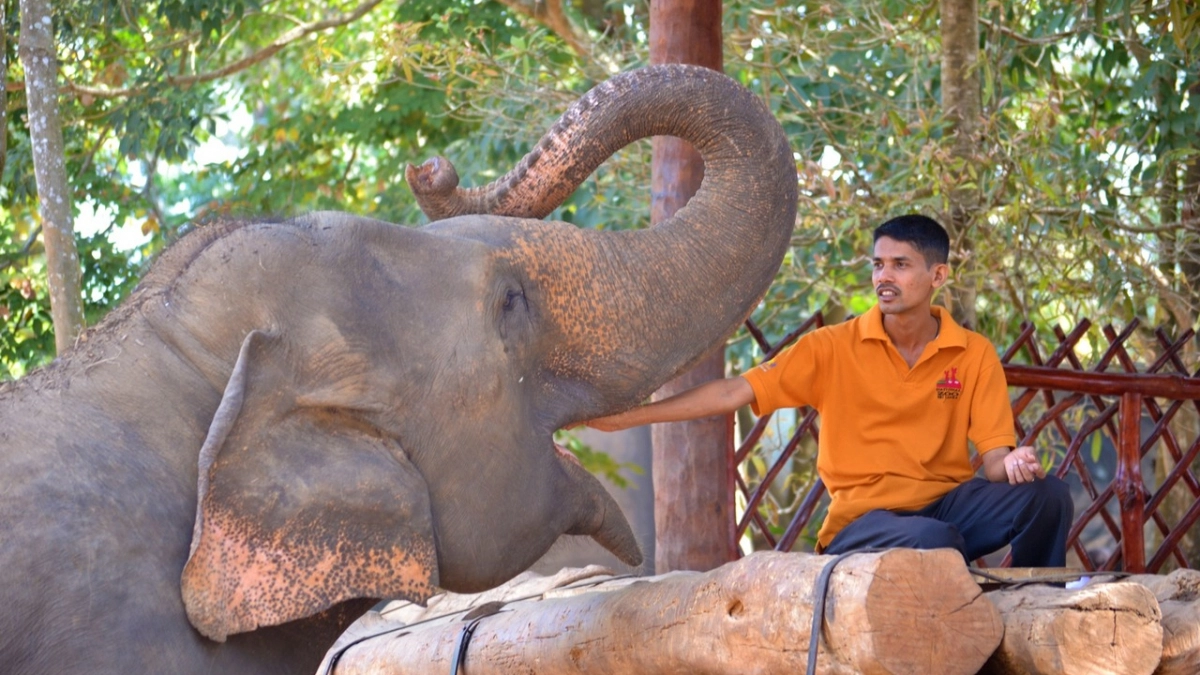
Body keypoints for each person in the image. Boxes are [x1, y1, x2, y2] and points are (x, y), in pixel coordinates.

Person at [585, 214, 1073, 566]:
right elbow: (733, 392)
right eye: (878, 264)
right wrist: (627, 415)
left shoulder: (972, 352)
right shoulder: (831, 347)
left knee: (1048, 496)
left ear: (937, 276)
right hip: (863, 523)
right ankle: (963, 581)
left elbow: (993, 460)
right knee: (936, 539)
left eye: (901, 265)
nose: (884, 276)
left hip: (946, 509)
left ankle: (1032, 597)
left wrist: (1012, 464)